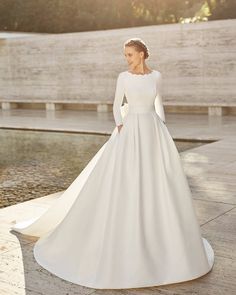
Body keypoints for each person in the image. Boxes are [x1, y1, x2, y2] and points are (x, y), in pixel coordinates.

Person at [11, 37, 214, 289]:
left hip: (153, 131)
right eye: (125, 54)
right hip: (129, 131)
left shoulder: (157, 76)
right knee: (126, 180)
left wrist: (162, 126)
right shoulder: (123, 78)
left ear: (141, 54)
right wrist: (121, 125)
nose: (127, 59)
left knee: (158, 182)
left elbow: (159, 104)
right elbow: (117, 105)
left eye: (130, 54)